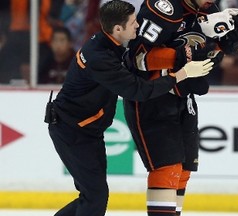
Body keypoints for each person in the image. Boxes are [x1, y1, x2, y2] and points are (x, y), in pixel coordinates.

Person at [45, 1, 214, 216]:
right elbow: (139, 91)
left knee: (93, 196)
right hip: (72, 130)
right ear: (118, 29)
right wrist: (181, 74)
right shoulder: (101, 58)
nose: (139, 26)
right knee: (95, 197)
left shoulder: (109, 44)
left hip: (86, 128)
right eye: (134, 22)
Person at [123, 0, 238, 215]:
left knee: (183, 170)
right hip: (151, 95)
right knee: (167, 168)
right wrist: (182, 57)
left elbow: (207, 59)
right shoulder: (163, 8)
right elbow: (136, 58)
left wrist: (222, 47)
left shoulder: (209, 10)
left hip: (184, 95)